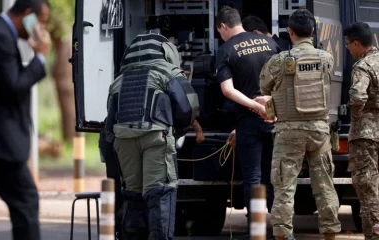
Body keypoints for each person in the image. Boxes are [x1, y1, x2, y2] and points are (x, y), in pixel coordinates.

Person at [101, 32, 199, 240]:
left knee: (132, 196)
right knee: (160, 193)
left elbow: (109, 123)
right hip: (155, 138)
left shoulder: (119, 80)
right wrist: (177, 131)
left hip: (124, 142)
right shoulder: (167, 71)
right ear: (166, 52)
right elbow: (188, 106)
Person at [256, 9, 341, 240]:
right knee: (325, 187)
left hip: (288, 132)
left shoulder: (277, 61)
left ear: (289, 32)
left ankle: (283, 236)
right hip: (319, 132)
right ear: (313, 31)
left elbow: (264, 88)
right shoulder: (326, 58)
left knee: (284, 190)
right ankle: (330, 235)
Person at [0, 0, 51, 239]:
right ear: (28, 14)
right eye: (40, 22)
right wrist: (40, 57)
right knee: (27, 203)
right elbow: (13, 86)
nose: (41, 29)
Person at [214, 6, 288, 240]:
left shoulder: (225, 49)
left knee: (253, 178)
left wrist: (255, 106)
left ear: (223, 27)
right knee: (276, 176)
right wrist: (270, 102)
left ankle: (255, 232)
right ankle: (280, 231)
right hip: (275, 119)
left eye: (220, 32)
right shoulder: (269, 43)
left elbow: (227, 90)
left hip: (249, 121)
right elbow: (286, 81)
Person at [343, 22, 379, 240]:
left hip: (366, 135)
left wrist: (356, 116)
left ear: (357, 43)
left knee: (368, 189)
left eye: (348, 45)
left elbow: (357, 96)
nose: (347, 49)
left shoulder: (363, 66)